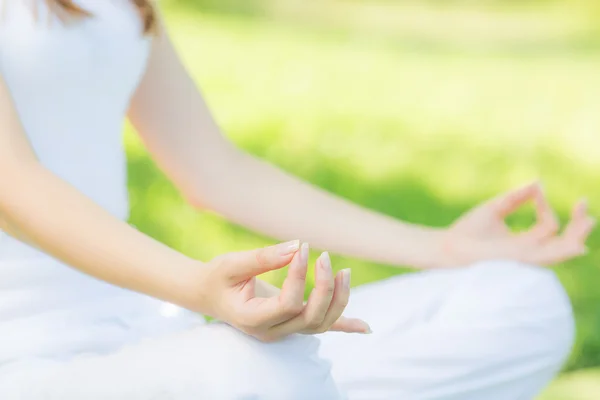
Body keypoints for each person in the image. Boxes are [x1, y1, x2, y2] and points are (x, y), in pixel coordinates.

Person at [0, 1, 594, 399]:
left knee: (521, 301)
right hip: (27, 358)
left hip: (153, 339)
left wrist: (442, 248)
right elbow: (16, 187)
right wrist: (198, 285)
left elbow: (215, 169)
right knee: (261, 370)